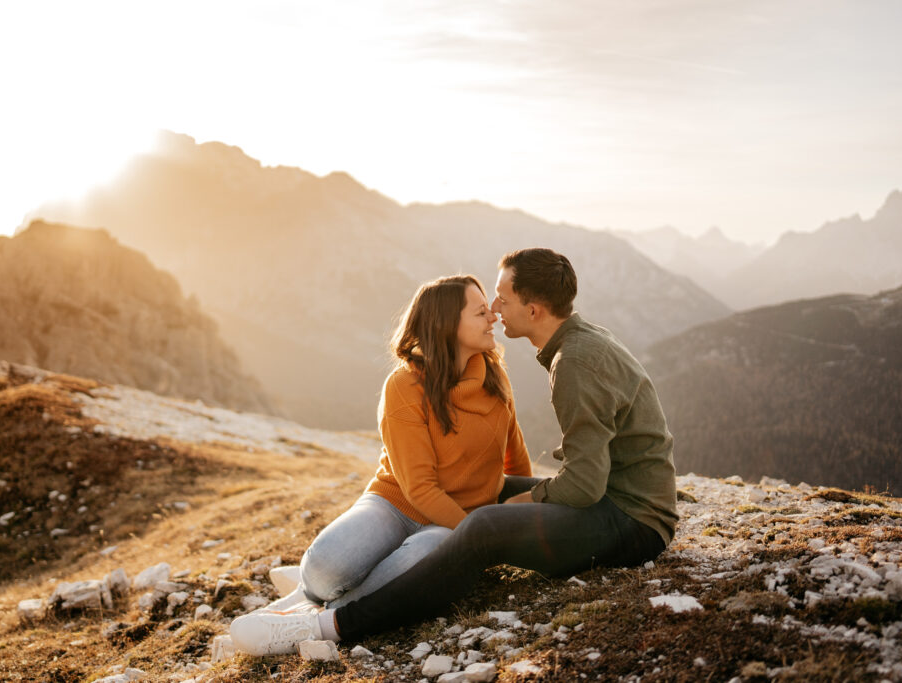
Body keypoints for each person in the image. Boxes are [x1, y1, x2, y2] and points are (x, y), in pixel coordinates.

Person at [229, 247, 678, 654]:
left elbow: (577, 482)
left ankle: (329, 625)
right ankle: (319, 584)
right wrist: (519, 505)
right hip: (603, 498)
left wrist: (509, 515)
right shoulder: (576, 346)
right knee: (490, 514)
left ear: (534, 308)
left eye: (500, 300)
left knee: (485, 525)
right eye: (485, 308)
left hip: (630, 516)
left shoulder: (571, 362)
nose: (496, 313)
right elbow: (465, 481)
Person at [229, 275, 532, 655]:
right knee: (325, 568)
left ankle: (303, 617)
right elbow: (418, 487)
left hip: (450, 522)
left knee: (421, 559)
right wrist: (473, 536)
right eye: (481, 311)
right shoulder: (404, 385)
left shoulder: (494, 377)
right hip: (395, 504)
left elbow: (514, 456)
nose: (493, 318)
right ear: (446, 325)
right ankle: (312, 590)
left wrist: (492, 530)